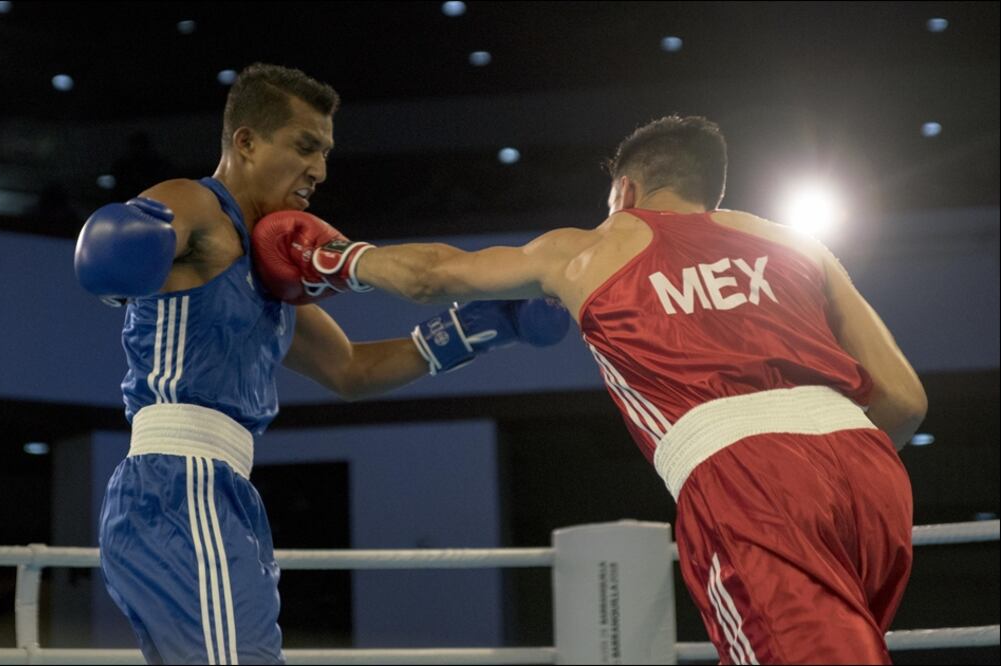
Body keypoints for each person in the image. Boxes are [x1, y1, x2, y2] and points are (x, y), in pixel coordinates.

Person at [258, 115, 928, 664]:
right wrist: (826, 458)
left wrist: (337, 258)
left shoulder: (592, 246)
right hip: (870, 475)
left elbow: (432, 275)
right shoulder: (797, 244)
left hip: (749, 478)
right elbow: (904, 402)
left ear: (625, 191)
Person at [72, 62, 569, 665]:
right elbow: (122, 247)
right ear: (246, 142)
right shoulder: (196, 204)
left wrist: (484, 328)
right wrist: (127, 248)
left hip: (220, 489)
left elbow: (352, 369)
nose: (320, 170)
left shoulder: (269, 272)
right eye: (305, 146)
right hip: (178, 482)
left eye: (326, 153)